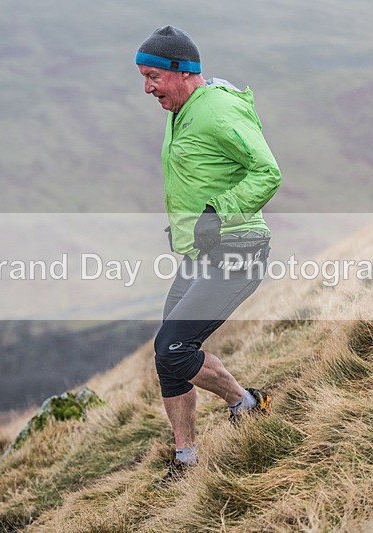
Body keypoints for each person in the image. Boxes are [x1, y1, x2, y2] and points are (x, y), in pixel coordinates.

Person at [135, 25, 281, 482]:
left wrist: (218, 211)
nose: (147, 87)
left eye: (154, 76)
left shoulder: (216, 109)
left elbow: (268, 171)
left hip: (239, 251)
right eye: (143, 76)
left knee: (173, 348)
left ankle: (246, 404)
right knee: (168, 357)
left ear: (183, 72)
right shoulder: (181, 111)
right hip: (202, 254)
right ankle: (186, 460)